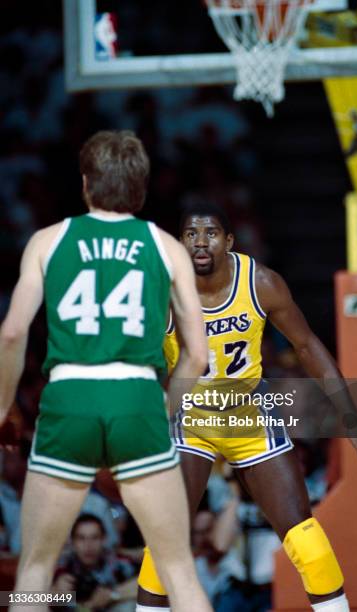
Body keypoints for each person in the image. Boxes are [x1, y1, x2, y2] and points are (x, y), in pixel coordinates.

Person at [137, 201, 357, 612]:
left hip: (249, 416)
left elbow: (307, 345)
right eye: (191, 234)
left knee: (305, 538)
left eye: (210, 234)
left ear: (229, 241)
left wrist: (351, 416)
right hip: (192, 418)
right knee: (165, 537)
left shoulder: (261, 283)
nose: (200, 243)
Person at [0, 131, 212, 612]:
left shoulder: (48, 241)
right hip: (136, 396)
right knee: (178, 569)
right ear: (141, 186)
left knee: (34, 568)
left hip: (69, 396)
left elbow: (12, 333)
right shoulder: (166, 247)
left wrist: (3, 407)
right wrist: (163, 406)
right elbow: (197, 356)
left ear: (86, 184)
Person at [53, 513, 138, 611]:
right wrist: (55, 594)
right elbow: (32, 598)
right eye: (81, 538)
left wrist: (112, 594)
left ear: (104, 540)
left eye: (95, 537)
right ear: (72, 542)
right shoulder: (62, 565)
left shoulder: (114, 562)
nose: (88, 546)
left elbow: (148, 581)